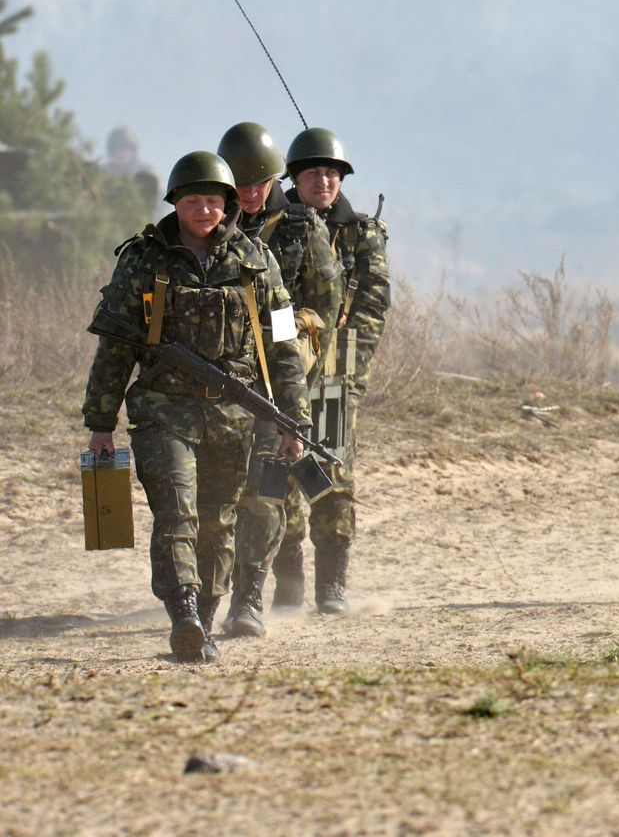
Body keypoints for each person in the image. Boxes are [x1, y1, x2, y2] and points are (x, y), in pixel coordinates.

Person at [80, 151, 309, 663]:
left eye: (212, 201)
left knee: (218, 520)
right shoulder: (143, 260)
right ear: (175, 203)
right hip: (163, 412)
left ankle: (205, 615)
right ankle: (183, 612)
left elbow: (283, 345)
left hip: (234, 417)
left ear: (228, 205)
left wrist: (294, 421)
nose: (203, 211)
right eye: (192, 202)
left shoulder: (256, 261)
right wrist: (100, 422)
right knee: (176, 512)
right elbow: (115, 347)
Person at [216, 122, 344, 637]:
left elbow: (326, 307)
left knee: (274, 487)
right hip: (221, 381)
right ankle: (245, 587)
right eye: (240, 183)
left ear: (274, 180)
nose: (250, 193)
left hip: (283, 377)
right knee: (223, 495)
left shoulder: (300, 226)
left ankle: (257, 597)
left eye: (259, 182)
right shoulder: (208, 224)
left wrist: (281, 333)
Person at [282, 127, 390, 615]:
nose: (323, 181)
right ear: (294, 178)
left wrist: (351, 371)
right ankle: (287, 585)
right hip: (279, 369)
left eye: (331, 173)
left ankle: (331, 586)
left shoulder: (361, 233)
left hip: (336, 372)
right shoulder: (274, 225)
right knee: (277, 478)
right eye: (313, 173)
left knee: (331, 475)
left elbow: (372, 307)